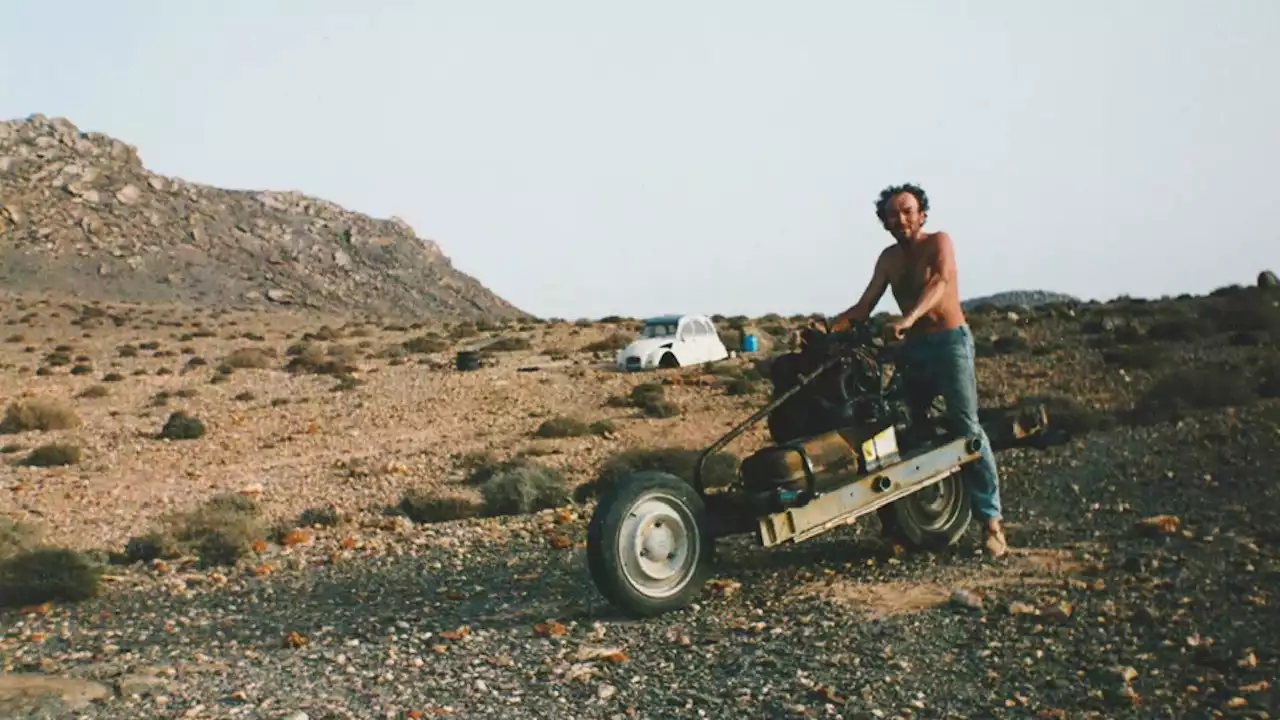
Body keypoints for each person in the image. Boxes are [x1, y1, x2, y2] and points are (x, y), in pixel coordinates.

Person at [830, 183, 1008, 558]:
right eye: (893, 214)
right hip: (912, 348)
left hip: (948, 343)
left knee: (965, 425)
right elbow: (864, 306)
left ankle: (991, 524)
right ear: (885, 222)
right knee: (890, 429)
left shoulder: (939, 242)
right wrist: (830, 328)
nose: (902, 218)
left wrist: (907, 318)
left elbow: (940, 283)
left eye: (908, 211)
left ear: (922, 215)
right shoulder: (888, 259)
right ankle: (895, 526)